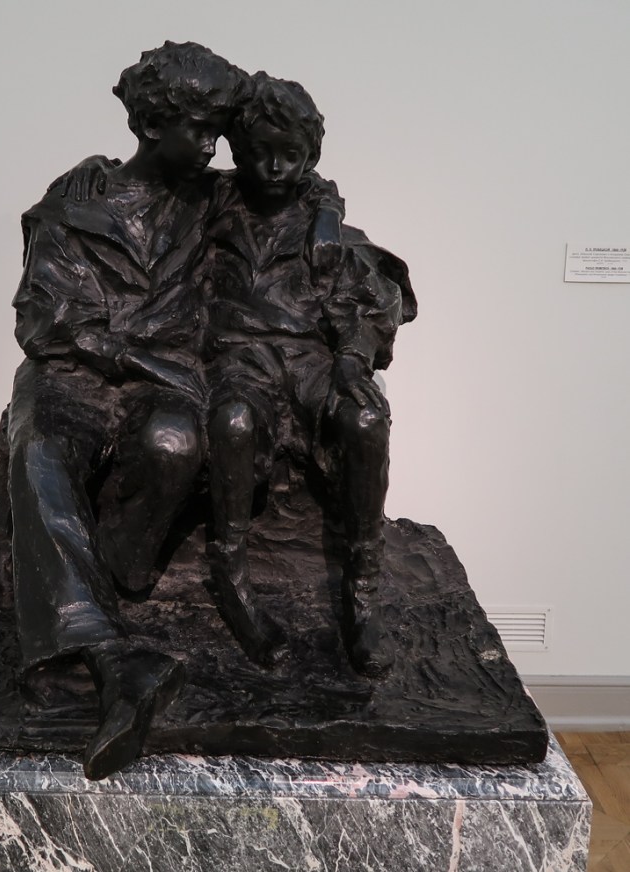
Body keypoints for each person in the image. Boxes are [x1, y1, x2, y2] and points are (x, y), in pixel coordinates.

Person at [6, 42, 248, 780]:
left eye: (218, 131)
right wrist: (131, 355)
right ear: (148, 125)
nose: (210, 146)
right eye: (197, 130)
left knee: (174, 442)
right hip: (74, 371)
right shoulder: (79, 199)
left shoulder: (217, 199)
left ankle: (109, 585)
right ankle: (114, 660)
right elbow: (42, 321)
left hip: (165, 380)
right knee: (39, 448)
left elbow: (297, 187)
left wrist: (329, 214)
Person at [202, 72, 417, 677]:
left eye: (290, 155)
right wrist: (90, 174)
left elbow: (370, 300)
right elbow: (149, 184)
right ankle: (231, 578)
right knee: (233, 421)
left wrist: (352, 355)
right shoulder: (213, 207)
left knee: (366, 419)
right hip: (239, 360)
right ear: (236, 151)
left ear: (311, 156)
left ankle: (362, 589)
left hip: (310, 363)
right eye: (259, 153)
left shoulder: (326, 229)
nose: (274, 168)